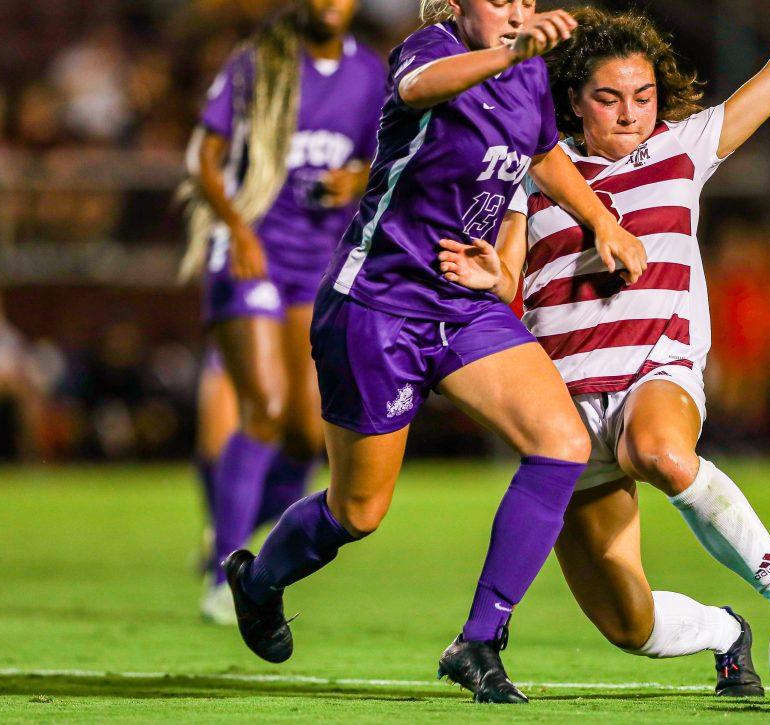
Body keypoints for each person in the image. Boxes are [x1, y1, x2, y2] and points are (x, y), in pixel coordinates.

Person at [221, 0, 647, 705]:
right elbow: (421, 89)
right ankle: (257, 581)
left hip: (462, 300)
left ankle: (479, 640)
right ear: (458, 4)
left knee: (562, 441)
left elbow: (543, 156)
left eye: (524, 1)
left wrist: (601, 219)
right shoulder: (429, 49)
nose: (515, 12)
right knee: (358, 511)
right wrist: (510, 55)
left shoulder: (528, 73)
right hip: (377, 305)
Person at [438, 1, 770, 696]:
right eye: (609, 98)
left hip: (655, 368)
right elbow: (510, 270)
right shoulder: (535, 171)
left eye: (643, 96)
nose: (631, 113)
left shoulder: (683, 148)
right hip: (565, 414)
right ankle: (727, 631)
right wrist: (492, 276)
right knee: (626, 622)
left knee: (658, 451)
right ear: (573, 100)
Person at [179, 0, 387, 624]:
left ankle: (237, 529)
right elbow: (202, 157)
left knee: (304, 431)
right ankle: (226, 570)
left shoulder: (372, 75)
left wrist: (358, 180)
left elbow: (393, 158)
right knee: (264, 408)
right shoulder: (260, 62)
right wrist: (237, 227)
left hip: (318, 261)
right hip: (251, 251)